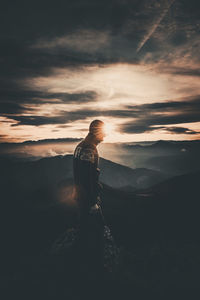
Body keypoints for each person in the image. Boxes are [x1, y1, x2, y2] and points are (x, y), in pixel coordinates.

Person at [73, 120, 106, 274]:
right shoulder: (89, 148)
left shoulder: (81, 146)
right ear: (96, 132)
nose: (105, 136)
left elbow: (82, 174)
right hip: (87, 197)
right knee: (95, 230)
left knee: (84, 226)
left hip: (81, 195)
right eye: (103, 132)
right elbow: (86, 176)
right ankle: (92, 267)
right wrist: (93, 200)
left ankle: (82, 261)